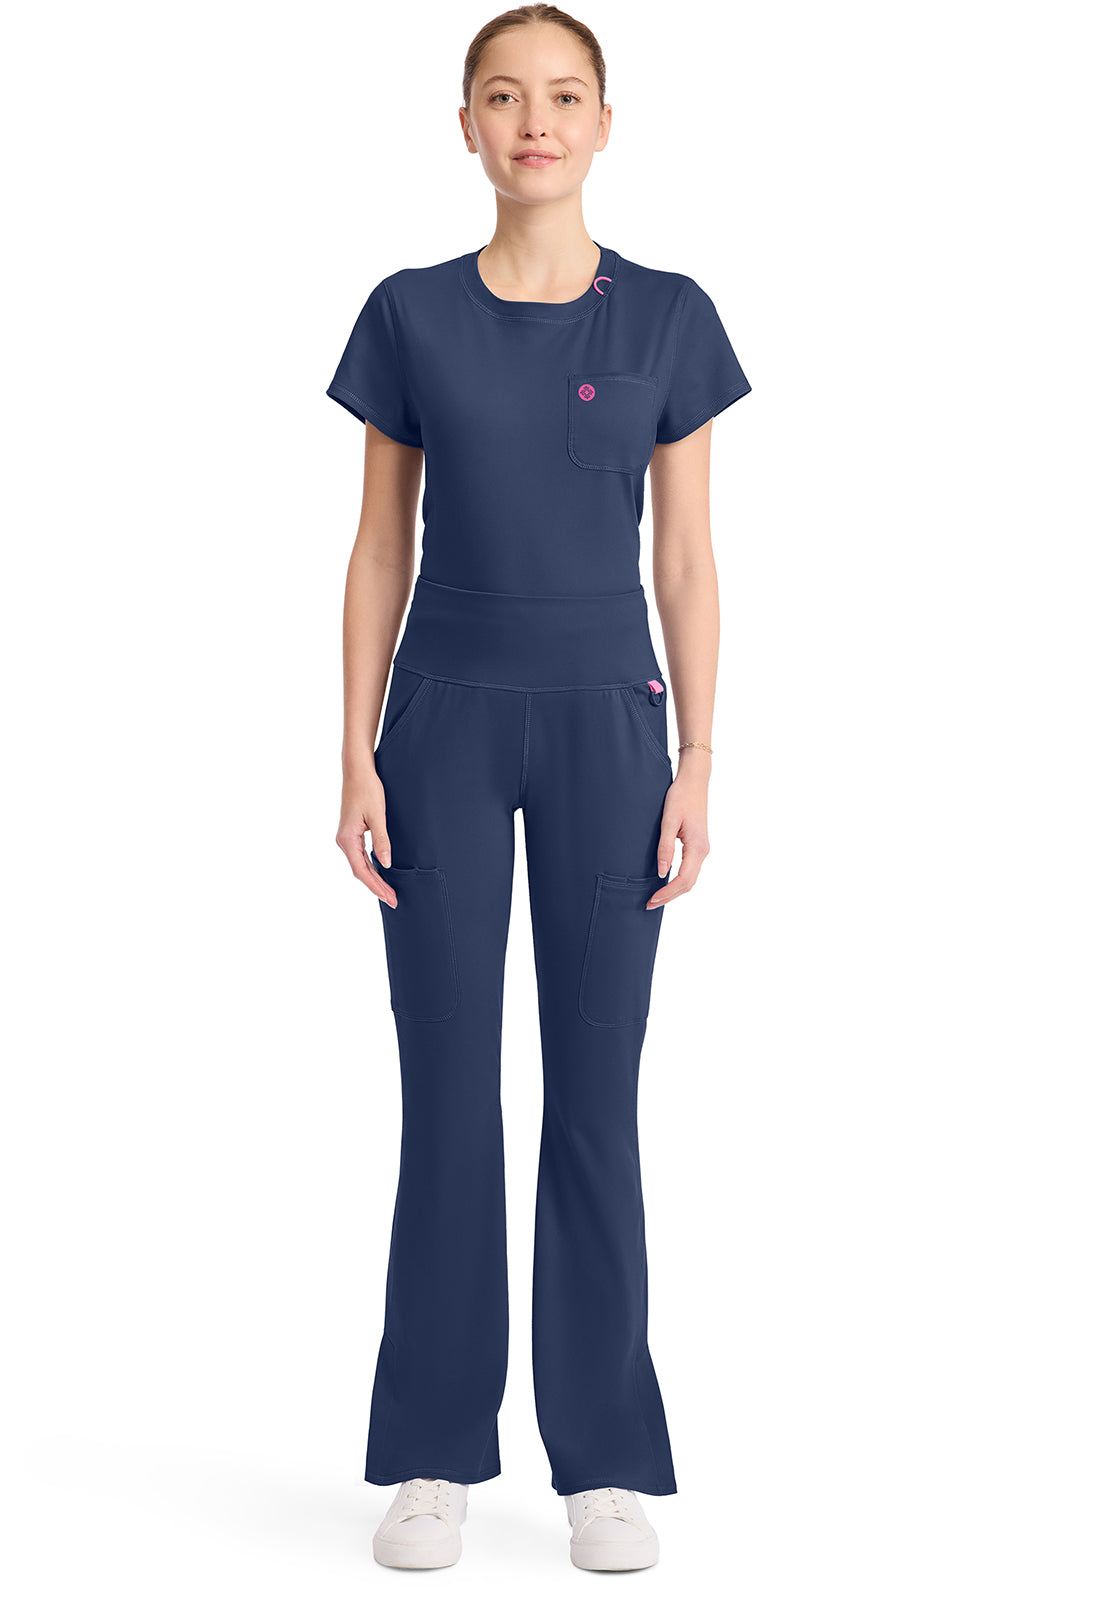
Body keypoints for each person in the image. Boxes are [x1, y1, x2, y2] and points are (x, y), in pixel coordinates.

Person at [327, 3, 751, 1573]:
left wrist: (697, 756)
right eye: (503, 96)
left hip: (607, 727)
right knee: (446, 1090)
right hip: (441, 720)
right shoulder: (410, 314)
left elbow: (686, 557)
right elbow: (380, 543)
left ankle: (605, 1461)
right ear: (466, 127)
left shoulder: (669, 318)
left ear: (604, 123)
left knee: (593, 1093)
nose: (534, 122)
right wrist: (355, 744)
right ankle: (435, 1451)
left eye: (564, 96)